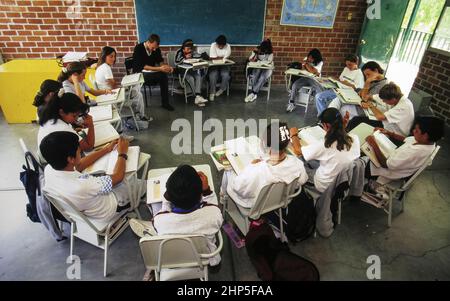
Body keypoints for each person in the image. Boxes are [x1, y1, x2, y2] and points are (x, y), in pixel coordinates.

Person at [129, 165, 223, 267]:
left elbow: (164, 212)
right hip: (202, 257)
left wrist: (167, 197)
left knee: (155, 210)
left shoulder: (160, 221)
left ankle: (148, 230)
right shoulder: (214, 215)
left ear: (169, 196)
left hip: (171, 258)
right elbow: (213, 206)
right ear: (200, 196)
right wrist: (207, 190)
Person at [41, 132, 141, 222]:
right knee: (138, 183)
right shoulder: (83, 186)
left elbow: (79, 165)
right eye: (78, 149)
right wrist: (122, 153)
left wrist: (106, 149)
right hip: (109, 209)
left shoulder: (49, 169)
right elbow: (118, 177)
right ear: (70, 159)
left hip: (84, 211)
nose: (80, 151)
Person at [221, 122, 308, 209]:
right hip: (282, 199)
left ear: (266, 143)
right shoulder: (297, 163)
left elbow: (239, 188)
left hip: (256, 204)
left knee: (228, 171)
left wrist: (250, 167)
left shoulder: (257, 170)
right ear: (288, 142)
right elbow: (302, 180)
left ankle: (223, 198)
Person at [291, 108, 360, 193]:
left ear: (326, 126)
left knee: (299, 158)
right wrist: (343, 127)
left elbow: (298, 150)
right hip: (341, 182)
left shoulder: (325, 145)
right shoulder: (354, 139)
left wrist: (294, 135)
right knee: (316, 158)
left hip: (323, 184)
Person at [364, 116, 444, 182]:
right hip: (393, 159)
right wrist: (387, 132)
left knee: (360, 160)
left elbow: (386, 164)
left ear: (425, 135)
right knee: (368, 148)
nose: (413, 131)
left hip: (387, 172)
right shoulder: (428, 142)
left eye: (416, 130)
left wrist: (373, 144)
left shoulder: (414, 152)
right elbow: (405, 139)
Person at [95, 46, 149, 128]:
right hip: (111, 95)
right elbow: (113, 87)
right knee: (138, 94)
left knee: (136, 88)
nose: (113, 59)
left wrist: (124, 87)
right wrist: (124, 88)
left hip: (106, 93)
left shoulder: (101, 66)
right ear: (104, 56)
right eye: (111, 56)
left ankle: (138, 115)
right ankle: (141, 116)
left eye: (114, 56)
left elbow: (112, 84)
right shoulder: (106, 68)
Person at [346, 82, 415, 137]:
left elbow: (380, 117)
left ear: (393, 99)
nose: (384, 102)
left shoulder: (404, 106)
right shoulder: (395, 97)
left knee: (359, 122)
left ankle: (350, 138)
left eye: (385, 100)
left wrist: (371, 105)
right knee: (356, 119)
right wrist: (367, 99)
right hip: (388, 124)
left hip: (395, 133)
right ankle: (346, 134)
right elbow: (371, 97)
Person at [132, 33, 175, 111]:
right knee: (162, 75)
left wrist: (165, 67)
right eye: (153, 47)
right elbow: (143, 66)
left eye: (156, 48)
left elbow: (160, 61)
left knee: (164, 76)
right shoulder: (138, 48)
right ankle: (164, 103)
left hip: (151, 72)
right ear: (148, 42)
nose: (154, 49)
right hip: (140, 74)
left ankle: (165, 103)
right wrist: (160, 69)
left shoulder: (156, 48)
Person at [286, 48, 324, 113]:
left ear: (316, 58)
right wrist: (306, 66)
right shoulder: (306, 58)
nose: (309, 59)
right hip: (305, 78)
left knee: (320, 91)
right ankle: (292, 103)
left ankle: (322, 109)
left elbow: (314, 72)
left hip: (314, 79)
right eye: (309, 57)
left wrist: (307, 65)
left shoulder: (320, 62)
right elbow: (303, 68)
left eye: (311, 58)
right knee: (295, 85)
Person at [175, 39, 208, 107]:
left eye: (191, 49)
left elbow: (198, 56)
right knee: (191, 78)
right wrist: (184, 57)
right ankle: (197, 97)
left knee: (198, 76)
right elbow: (176, 61)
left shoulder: (192, 52)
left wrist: (203, 56)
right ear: (183, 48)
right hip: (182, 71)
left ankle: (198, 96)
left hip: (191, 70)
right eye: (188, 49)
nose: (190, 50)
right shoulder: (179, 52)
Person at [244, 39, 274, 103]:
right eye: (263, 50)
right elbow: (250, 59)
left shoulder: (270, 52)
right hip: (257, 67)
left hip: (266, 68)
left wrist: (264, 62)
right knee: (255, 75)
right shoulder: (257, 49)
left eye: (266, 50)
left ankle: (253, 93)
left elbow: (269, 61)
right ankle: (254, 93)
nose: (264, 51)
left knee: (262, 77)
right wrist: (254, 54)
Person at [208, 34, 231, 101]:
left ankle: (222, 89)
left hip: (224, 65)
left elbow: (226, 57)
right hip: (214, 65)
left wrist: (218, 58)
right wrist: (221, 58)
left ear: (225, 44)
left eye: (222, 45)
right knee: (213, 74)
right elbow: (213, 57)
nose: (220, 46)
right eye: (219, 45)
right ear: (216, 43)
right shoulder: (213, 45)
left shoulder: (228, 46)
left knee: (226, 74)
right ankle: (212, 92)